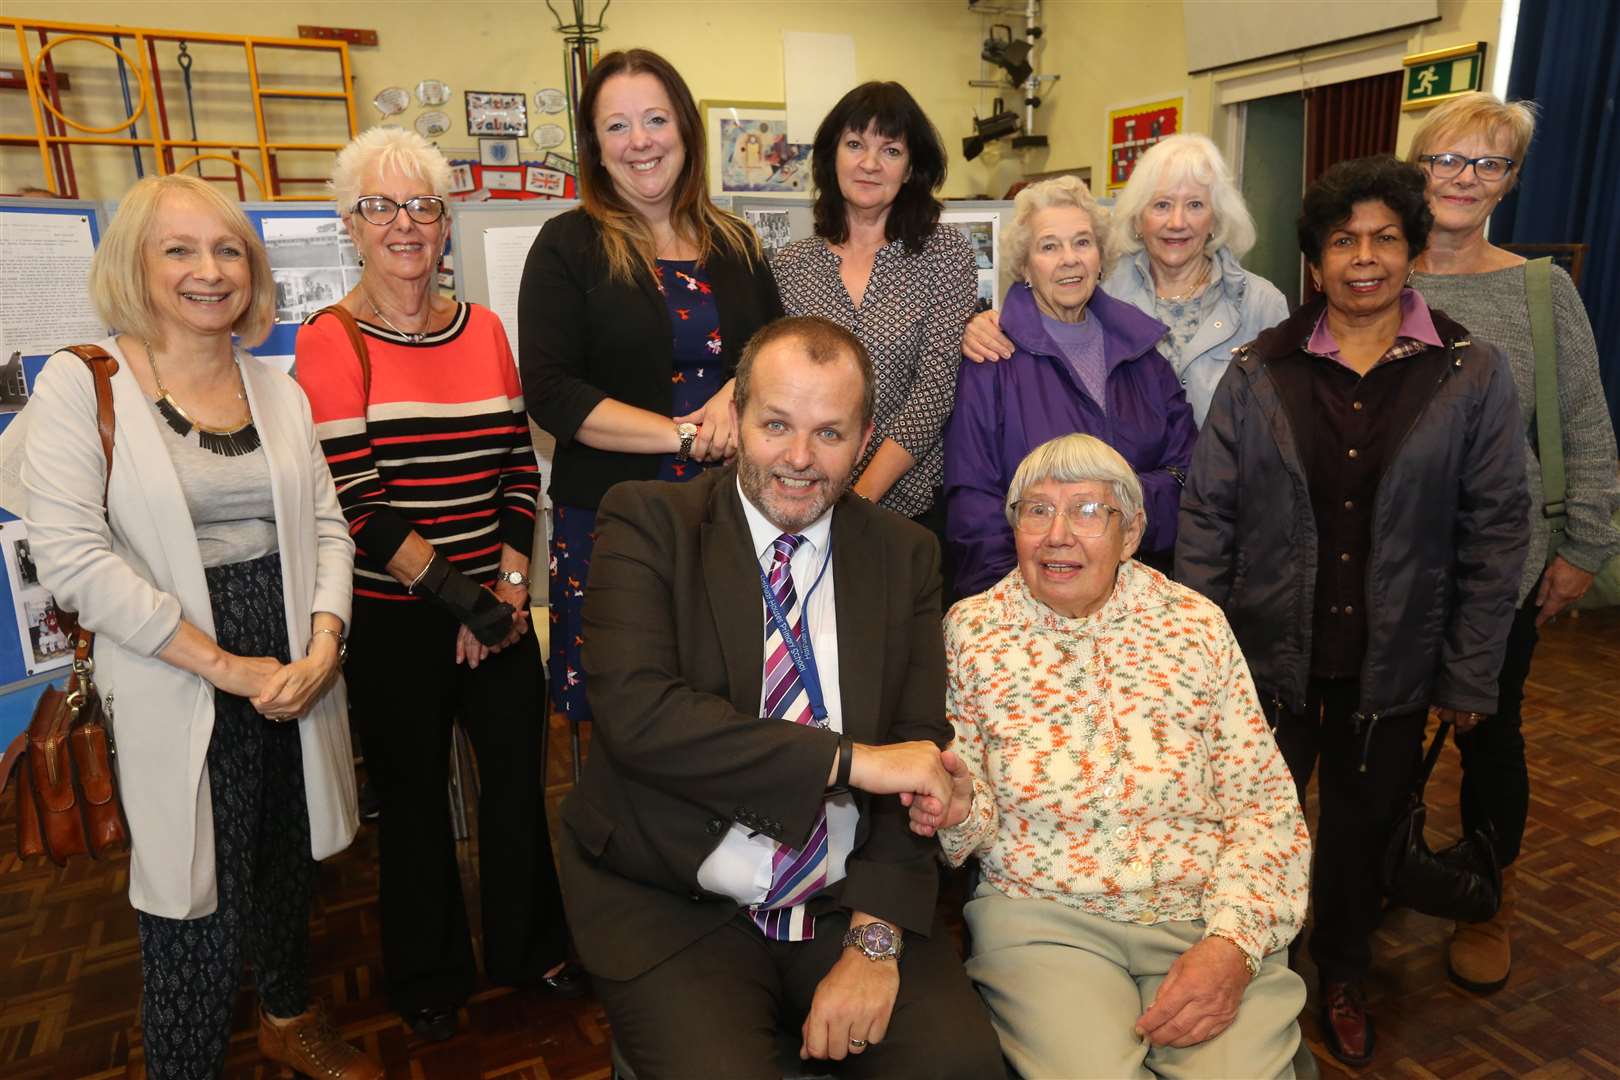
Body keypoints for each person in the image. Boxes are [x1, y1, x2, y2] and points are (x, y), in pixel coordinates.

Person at [562, 315, 1004, 1079]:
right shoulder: (648, 522)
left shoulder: (905, 556)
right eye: (776, 425)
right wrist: (850, 762)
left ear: (865, 437)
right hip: (679, 897)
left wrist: (874, 940)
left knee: (960, 1068)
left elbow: (917, 754)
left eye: (830, 434)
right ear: (734, 416)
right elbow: (641, 716)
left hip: (842, 897)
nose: (799, 460)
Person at [20, 174, 378, 1079]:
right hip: (175, 663)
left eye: (227, 251)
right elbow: (75, 561)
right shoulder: (81, 381)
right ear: (135, 267)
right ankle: (184, 1064)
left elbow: (329, 524)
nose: (210, 271)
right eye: (179, 249)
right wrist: (229, 667)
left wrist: (326, 643)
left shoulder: (276, 385)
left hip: (294, 659)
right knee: (191, 902)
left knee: (287, 857)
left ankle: (289, 1018)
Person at [1176, 156, 1530, 1067]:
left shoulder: (1469, 372)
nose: (1363, 258)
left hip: (1397, 665)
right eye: (1343, 241)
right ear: (1316, 260)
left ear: (1412, 252)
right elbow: (1209, 520)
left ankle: (1341, 971)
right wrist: (1198, 662)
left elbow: (1496, 534)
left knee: (1362, 831)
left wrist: (1469, 672)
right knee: (1257, 822)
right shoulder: (1261, 370)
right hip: (1267, 659)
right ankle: (1252, 961)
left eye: (1383, 239)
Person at [295, 127, 579, 1043]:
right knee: (414, 803)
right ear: (353, 226)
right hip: (399, 621)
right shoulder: (330, 341)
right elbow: (359, 501)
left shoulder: (485, 329)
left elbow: (515, 470)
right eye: (382, 208)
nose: (405, 225)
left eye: (422, 206)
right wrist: (462, 600)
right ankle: (428, 974)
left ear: (446, 222)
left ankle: (528, 949)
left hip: (490, 606)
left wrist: (499, 588)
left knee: (514, 790)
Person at [916, 433, 1310, 1078]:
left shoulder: (1193, 624)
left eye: (1088, 511)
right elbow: (971, 818)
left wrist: (1233, 944)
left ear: (1130, 534)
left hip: (1204, 910)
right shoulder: (971, 632)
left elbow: (1263, 805)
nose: (1058, 534)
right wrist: (956, 810)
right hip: (1044, 918)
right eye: (1036, 511)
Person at [1406, 91, 1620, 994]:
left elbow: (1583, 421)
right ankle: (1388, 867)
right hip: (1386, 560)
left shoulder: (1541, 287)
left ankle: (1489, 895)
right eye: (1449, 159)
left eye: (1487, 164)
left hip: (1505, 562)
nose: (1465, 179)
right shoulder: (1371, 271)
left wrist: (1585, 546)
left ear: (1510, 182)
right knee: (1373, 735)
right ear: (1417, 169)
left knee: (1487, 734)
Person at [518, 47, 782, 732]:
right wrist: (685, 435)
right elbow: (551, 393)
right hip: (612, 518)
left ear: (686, 133)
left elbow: (772, 356)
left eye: (656, 119)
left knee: (731, 701)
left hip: (732, 512)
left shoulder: (738, 243)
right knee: (629, 715)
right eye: (617, 127)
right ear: (595, 149)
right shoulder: (566, 246)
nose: (640, 142)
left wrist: (735, 396)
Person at [944, 174, 1195, 596]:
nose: (1069, 259)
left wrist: (1100, 511)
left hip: (1137, 593)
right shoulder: (992, 359)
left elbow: (1189, 476)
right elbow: (973, 506)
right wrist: (1026, 597)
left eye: (1082, 243)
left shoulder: (1143, 354)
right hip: (1026, 595)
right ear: (1025, 265)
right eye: (1049, 246)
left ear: (1101, 256)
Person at [769, 81, 976, 550]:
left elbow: (935, 389)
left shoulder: (945, 255)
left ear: (911, 169)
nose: (869, 163)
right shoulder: (788, 266)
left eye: (891, 150)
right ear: (831, 157)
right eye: (855, 144)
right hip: (801, 499)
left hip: (909, 511)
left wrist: (858, 500)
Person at [961, 134, 1289, 427]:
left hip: (1228, 492)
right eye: (1161, 205)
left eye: (1195, 205)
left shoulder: (1260, 304)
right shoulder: (1095, 288)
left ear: (1216, 217)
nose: (1177, 222)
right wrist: (982, 324)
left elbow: (1280, 424)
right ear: (1137, 217)